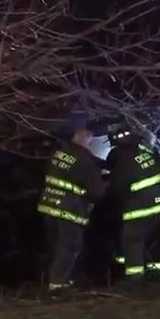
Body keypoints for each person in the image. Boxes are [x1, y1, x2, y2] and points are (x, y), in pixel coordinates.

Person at [37, 117, 106, 294]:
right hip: (69, 209)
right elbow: (96, 192)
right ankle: (58, 285)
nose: (90, 139)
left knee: (56, 245)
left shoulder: (59, 154)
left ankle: (55, 279)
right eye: (88, 136)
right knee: (70, 246)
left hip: (49, 205)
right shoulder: (86, 160)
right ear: (82, 137)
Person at [106, 124, 160, 287]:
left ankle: (135, 279)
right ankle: (157, 275)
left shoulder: (118, 156)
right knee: (155, 242)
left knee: (132, 241)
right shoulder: (146, 152)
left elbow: (118, 186)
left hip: (140, 210)